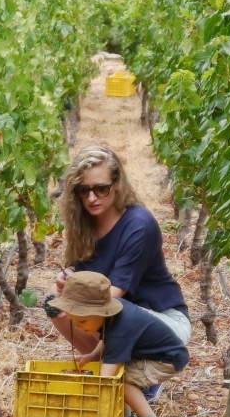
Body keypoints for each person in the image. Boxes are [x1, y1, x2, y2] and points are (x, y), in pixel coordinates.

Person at [44, 144, 191, 403]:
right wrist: (67, 277)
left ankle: (136, 378)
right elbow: (83, 272)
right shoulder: (85, 225)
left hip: (163, 324)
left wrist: (73, 292)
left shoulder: (139, 223)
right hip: (124, 317)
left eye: (101, 188)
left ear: (117, 183)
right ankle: (121, 377)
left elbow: (111, 296)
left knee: (94, 308)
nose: (92, 198)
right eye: (83, 190)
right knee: (54, 304)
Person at [48, 272, 189, 417]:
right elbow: (106, 338)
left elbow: (106, 378)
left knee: (120, 379)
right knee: (118, 377)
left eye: (82, 322)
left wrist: (89, 400)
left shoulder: (122, 327)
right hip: (151, 355)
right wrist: (93, 355)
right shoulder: (111, 316)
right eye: (75, 321)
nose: (78, 327)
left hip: (167, 360)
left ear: (100, 312)